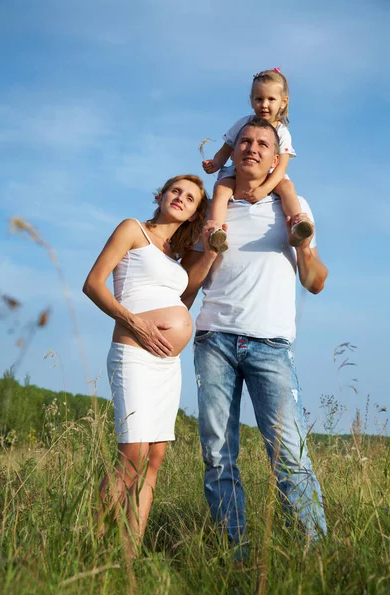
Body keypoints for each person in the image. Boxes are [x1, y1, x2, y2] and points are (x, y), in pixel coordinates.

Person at [181, 117, 328, 553]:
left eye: (263, 143)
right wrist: (208, 251)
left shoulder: (293, 206)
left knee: (290, 458)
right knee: (218, 458)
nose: (252, 147)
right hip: (215, 342)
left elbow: (316, 282)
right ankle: (236, 554)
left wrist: (303, 247)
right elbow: (187, 288)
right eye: (245, 140)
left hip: (270, 344)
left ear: (275, 154)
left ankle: (315, 557)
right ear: (235, 148)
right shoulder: (214, 209)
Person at [83, 174, 208, 549]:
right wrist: (135, 321)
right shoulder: (132, 229)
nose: (181, 199)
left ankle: (128, 557)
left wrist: (211, 253)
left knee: (154, 458)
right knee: (132, 454)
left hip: (166, 365)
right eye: (177, 191)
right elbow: (93, 283)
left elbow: (182, 302)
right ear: (161, 194)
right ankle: (88, 544)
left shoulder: (176, 256)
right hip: (133, 353)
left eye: (190, 199)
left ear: (192, 214)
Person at [202, 68, 313, 252]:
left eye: (271, 99)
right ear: (251, 100)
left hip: (271, 175)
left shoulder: (282, 132)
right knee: (221, 189)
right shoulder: (243, 123)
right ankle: (216, 231)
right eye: (259, 99)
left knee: (287, 187)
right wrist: (215, 164)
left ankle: (297, 223)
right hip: (238, 171)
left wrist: (264, 189)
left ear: (283, 102)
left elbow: (281, 167)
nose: (264, 104)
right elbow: (226, 149)